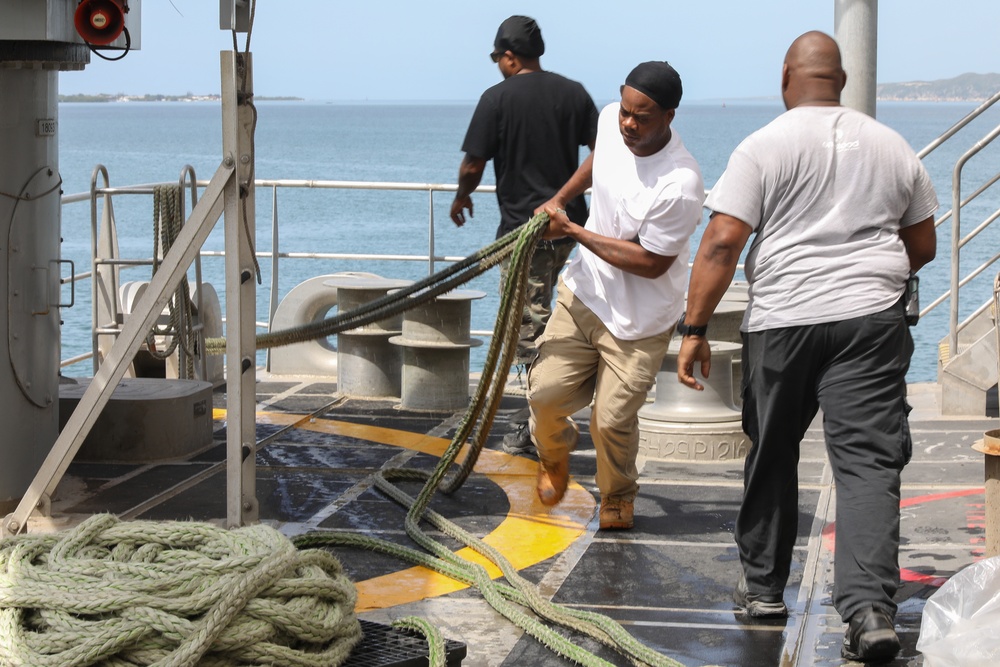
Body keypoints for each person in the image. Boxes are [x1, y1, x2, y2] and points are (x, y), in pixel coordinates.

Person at [676, 31, 937, 663]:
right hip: (871, 323)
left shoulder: (764, 146)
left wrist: (693, 329)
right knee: (869, 464)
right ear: (841, 81)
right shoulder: (893, 145)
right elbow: (921, 244)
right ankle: (871, 612)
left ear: (788, 77)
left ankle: (765, 593)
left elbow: (720, 243)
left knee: (771, 452)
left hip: (784, 319)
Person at [527, 61, 705, 531]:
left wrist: (571, 231)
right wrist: (560, 200)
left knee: (610, 421)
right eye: (625, 110)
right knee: (544, 394)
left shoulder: (680, 183)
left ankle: (618, 497)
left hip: (640, 321)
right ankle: (554, 458)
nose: (628, 123)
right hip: (585, 292)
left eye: (641, 117)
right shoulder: (611, 122)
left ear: (669, 115)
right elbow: (598, 162)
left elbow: (651, 263)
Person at [450, 15, 598, 455]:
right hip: (573, 231)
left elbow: (473, 165)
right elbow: (603, 153)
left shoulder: (496, 98)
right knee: (570, 322)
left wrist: (461, 196)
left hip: (524, 237)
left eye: (499, 58)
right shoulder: (574, 93)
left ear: (509, 57)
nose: (498, 65)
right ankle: (566, 407)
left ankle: (534, 425)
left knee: (527, 332)